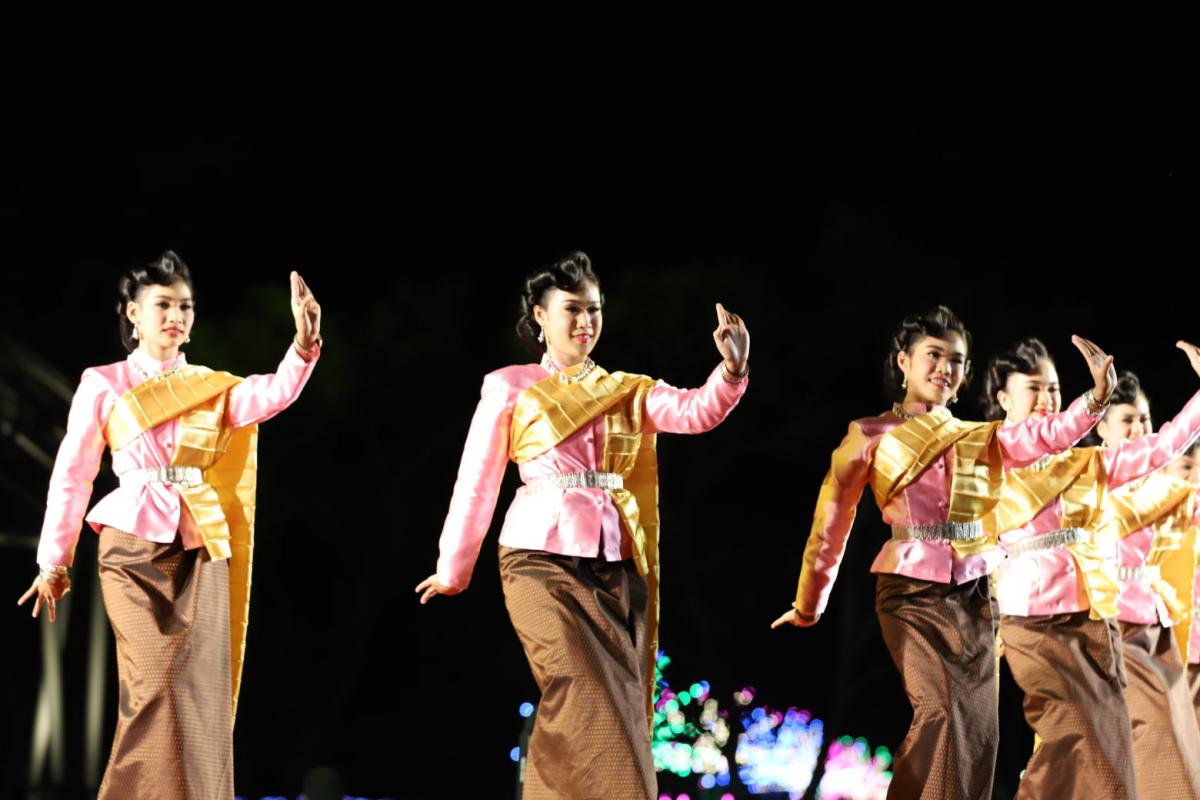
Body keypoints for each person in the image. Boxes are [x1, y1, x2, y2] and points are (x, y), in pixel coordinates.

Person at [415, 251, 749, 799]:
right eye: (572, 309)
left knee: (618, 700)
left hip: (615, 565)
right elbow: (477, 481)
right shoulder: (511, 386)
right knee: (581, 683)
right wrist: (453, 568)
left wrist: (732, 371)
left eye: (594, 309)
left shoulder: (627, 389)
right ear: (540, 316)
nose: (586, 320)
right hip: (536, 559)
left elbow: (695, 412)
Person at [772, 305, 1115, 800]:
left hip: (974, 596)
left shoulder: (980, 436)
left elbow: (1044, 435)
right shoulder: (869, 435)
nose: (945, 368)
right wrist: (809, 603)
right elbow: (831, 523)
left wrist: (1096, 399)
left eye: (956, 360)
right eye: (933, 355)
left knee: (977, 733)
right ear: (904, 362)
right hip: (910, 593)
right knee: (939, 710)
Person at [17, 251, 321, 799]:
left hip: (200, 544)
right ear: (133, 314)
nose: (176, 316)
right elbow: (73, 474)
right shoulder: (103, 383)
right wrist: (53, 561)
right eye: (162, 305)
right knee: (153, 685)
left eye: (185, 306)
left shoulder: (210, 386)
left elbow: (272, 394)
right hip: (129, 547)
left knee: (198, 696)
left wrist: (302, 346)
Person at [982, 338, 1200, 799]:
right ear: (1002, 398)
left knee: (1111, 746)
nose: (1047, 398)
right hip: (1033, 620)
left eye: (1054, 388)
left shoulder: (1088, 465)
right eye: (1034, 388)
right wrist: (1096, 399)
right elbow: (1046, 435)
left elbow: (1164, 446)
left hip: (1092, 617)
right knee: (1072, 729)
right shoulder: (996, 450)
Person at [1094, 371, 1200, 799]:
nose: (1139, 429)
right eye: (1127, 420)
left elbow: (1178, 444)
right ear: (1101, 427)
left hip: (1150, 621)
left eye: (1145, 419)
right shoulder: (1085, 477)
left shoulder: (1163, 483)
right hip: (1100, 623)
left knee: (1174, 736)